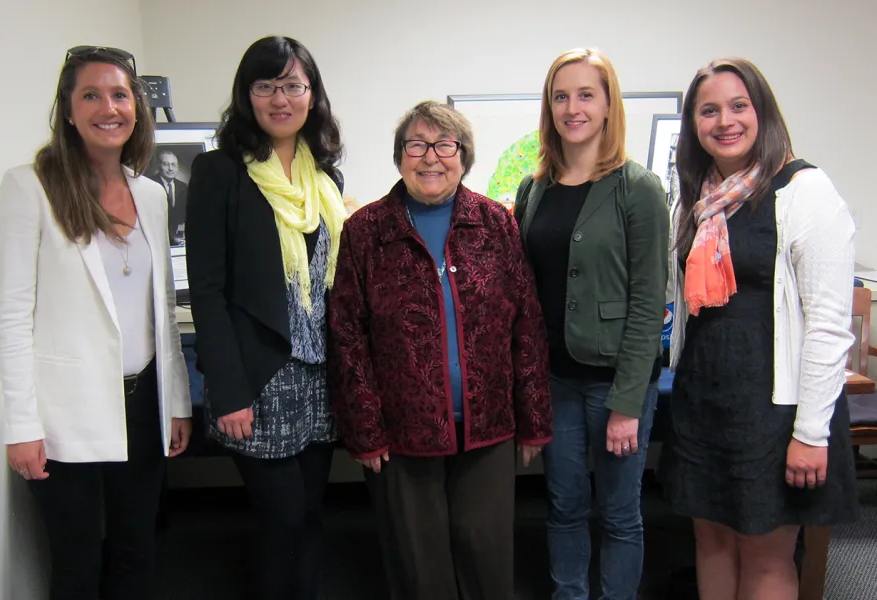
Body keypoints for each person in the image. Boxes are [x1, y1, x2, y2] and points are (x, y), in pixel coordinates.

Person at [329, 100, 553, 600]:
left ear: (463, 155)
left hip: (489, 425)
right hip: (401, 431)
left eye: (444, 145)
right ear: (400, 156)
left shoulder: (496, 223)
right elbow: (347, 335)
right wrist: (365, 431)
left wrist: (533, 418)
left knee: (486, 557)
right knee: (419, 565)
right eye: (416, 145)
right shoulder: (366, 230)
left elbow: (527, 324)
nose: (430, 158)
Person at [0, 45, 192, 600]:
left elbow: (161, 317)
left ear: (137, 108)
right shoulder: (29, 187)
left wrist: (176, 401)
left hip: (142, 403)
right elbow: (13, 316)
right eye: (91, 95)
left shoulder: (151, 194)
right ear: (69, 109)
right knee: (77, 562)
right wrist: (22, 426)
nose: (109, 108)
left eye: (120, 95)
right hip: (63, 414)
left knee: (137, 551)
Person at [659, 57, 859, 600]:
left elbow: (828, 327)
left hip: (776, 409)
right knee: (712, 540)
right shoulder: (698, 199)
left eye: (738, 105)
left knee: (766, 553)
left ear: (762, 111)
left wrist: (810, 433)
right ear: (694, 125)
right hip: (704, 400)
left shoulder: (805, 191)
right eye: (708, 110)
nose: (725, 120)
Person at [185, 35, 345, 600]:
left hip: (319, 377)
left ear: (312, 94)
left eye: (294, 85)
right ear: (246, 94)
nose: (281, 98)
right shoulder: (219, 172)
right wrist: (226, 391)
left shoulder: (325, 177)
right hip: (260, 378)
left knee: (310, 518)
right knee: (280, 522)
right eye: (266, 85)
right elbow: (205, 290)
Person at [513, 48, 669, 599]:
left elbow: (652, 301)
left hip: (615, 382)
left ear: (608, 105)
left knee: (620, 511)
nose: (572, 107)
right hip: (555, 380)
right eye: (561, 96)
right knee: (564, 503)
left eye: (586, 95)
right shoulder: (533, 189)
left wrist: (628, 403)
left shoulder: (638, 188)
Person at [154, 149, 188, 244]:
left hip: (178, 237)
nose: (170, 168)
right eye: (166, 164)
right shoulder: (149, 184)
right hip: (157, 237)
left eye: (173, 164)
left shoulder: (183, 186)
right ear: (158, 166)